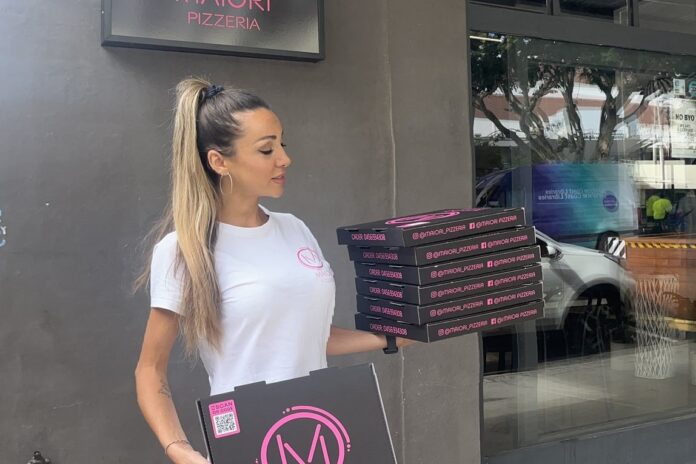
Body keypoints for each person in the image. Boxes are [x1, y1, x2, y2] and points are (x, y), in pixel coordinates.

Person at [134, 78, 413, 464]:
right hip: (249, 440)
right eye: (267, 149)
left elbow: (305, 335)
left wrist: (388, 337)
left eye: (283, 144)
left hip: (321, 426)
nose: (284, 159)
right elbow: (150, 370)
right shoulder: (184, 250)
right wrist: (180, 451)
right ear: (219, 162)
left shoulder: (294, 228)